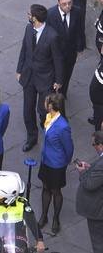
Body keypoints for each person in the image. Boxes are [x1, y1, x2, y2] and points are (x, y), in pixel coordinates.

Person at [18, 3, 65, 151]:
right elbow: (24, 50)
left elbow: (58, 59)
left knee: (43, 111)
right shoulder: (28, 29)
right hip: (29, 77)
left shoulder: (52, 36)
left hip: (45, 78)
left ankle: (48, 132)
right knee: (27, 110)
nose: (27, 16)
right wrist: (19, 70)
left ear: (35, 18)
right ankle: (32, 138)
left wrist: (59, 80)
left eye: (29, 14)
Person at [39, 92, 74, 235]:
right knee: (45, 187)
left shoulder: (63, 126)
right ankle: (44, 216)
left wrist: (65, 161)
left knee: (55, 191)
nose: (44, 103)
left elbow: (69, 148)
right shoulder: (49, 117)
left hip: (56, 164)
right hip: (46, 160)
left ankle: (55, 219)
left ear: (52, 106)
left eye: (47, 102)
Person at [48, 0, 87, 100]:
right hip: (55, 54)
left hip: (70, 53)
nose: (68, 6)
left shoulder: (77, 12)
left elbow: (79, 30)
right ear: (58, 2)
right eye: (64, 4)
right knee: (53, 75)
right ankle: (52, 95)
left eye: (70, 3)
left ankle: (62, 94)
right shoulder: (50, 14)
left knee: (66, 75)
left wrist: (80, 47)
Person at [76, 130, 103, 253]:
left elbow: (90, 184)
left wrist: (82, 173)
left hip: (98, 209)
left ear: (100, 145)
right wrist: (90, 167)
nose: (93, 147)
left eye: (94, 144)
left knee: (98, 238)